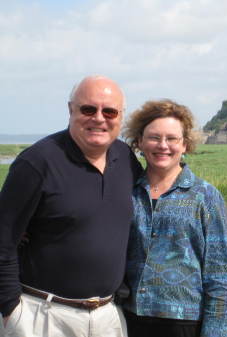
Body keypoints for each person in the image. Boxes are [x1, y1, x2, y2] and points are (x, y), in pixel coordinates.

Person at [0, 75, 142, 337]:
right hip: (44, 316)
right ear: (70, 110)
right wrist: (11, 311)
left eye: (109, 111)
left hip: (107, 316)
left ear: (121, 116)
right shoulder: (37, 162)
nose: (99, 118)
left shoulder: (125, 159)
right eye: (88, 109)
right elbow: (3, 239)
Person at [122, 99, 227, 337]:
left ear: (184, 144)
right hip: (128, 320)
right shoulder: (126, 192)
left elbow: (220, 277)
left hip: (183, 325)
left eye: (172, 138)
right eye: (154, 137)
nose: (163, 145)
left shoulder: (205, 196)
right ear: (140, 142)